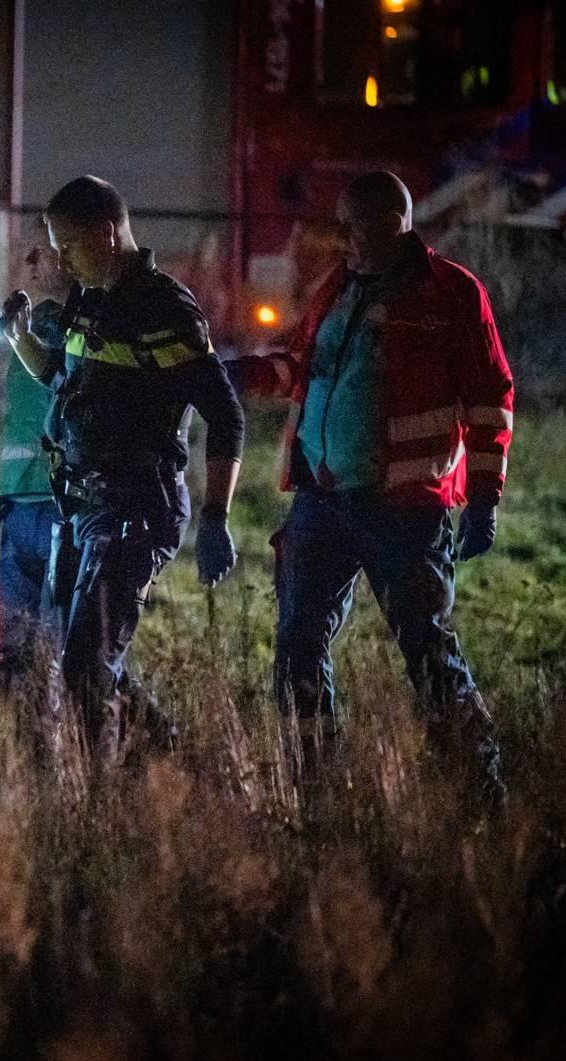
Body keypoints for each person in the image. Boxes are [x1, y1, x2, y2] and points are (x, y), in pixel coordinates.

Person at [231, 171, 512, 803]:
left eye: (350, 226)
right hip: (323, 503)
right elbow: (300, 366)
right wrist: (238, 373)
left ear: (392, 222)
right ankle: (316, 788)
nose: (340, 239)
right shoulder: (337, 288)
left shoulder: (451, 294)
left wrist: (486, 497)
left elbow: (492, 398)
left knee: (427, 650)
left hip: (406, 511)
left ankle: (480, 791)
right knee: (298, 643)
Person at [5, 176, 243, 761]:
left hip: (139, 507)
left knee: (85, 668)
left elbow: (226, 415)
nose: (61, 258)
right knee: (88, 657)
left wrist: (217, 516)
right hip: (86, 507)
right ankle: (177, 764)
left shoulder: (165, 308)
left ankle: (105, 809)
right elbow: (66, 378)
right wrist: (20, 340)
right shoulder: (91, 301)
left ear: (108, 235)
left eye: (69, 245)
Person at [0, 249, 68, 691]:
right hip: (20, 505)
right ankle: (25, 753)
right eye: (31, 252)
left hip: (67, 509)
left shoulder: (90, 329)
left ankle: (152, 736)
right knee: (16, 652)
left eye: (48, 250)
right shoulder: (26, 326)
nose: (32, 260)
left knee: (66, 652)